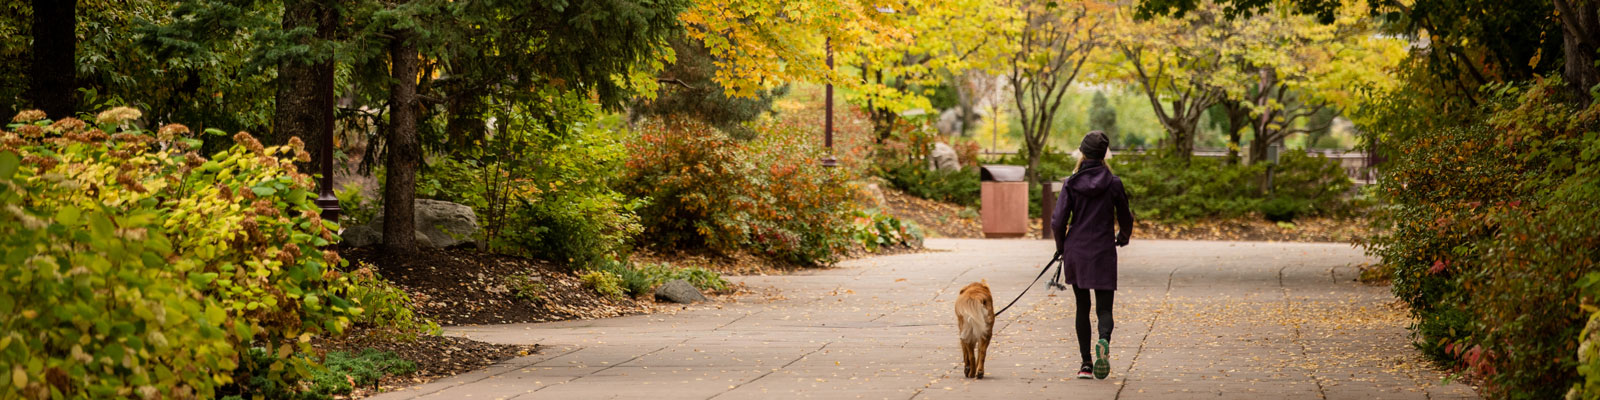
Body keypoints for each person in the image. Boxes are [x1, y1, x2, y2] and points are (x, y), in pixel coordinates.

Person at [1049, 130, 1134, 380]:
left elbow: (1057, 221)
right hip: (1103, 251)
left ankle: (1086, 364)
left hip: (1077, 251)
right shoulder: (1114, 183)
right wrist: (1123, 237)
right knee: (1104, 308)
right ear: (1103, 155)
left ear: (1082, 153)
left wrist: (1061, 246)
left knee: (1082, 306)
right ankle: (1104, 341)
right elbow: (1125, 216)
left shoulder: (1071, 183)